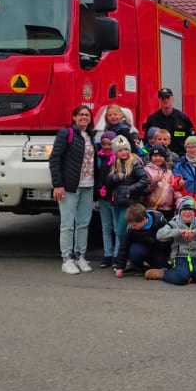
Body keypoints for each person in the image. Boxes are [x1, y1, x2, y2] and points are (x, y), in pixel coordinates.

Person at [49, 105, 97, 275]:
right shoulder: (66, 134)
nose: (84, 117)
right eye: (81, 115)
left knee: (83, 223)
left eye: (87, 115)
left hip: (88, 185)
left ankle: (80, 256)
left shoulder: (91, 136)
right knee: (67, 224)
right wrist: (58, 184)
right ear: (74, 117)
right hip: (69, 186)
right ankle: (67, 259)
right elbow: (55, 159)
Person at [145, 197, 196, 285]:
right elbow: (160, 235)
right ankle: (163, 273)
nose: (187, 212)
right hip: (180, 257)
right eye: (184, 209)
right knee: (180, 279)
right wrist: (179, 232)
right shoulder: (174, 223)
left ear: (194, 211)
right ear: (179, 211)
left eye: (190, 209)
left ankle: (190, 277)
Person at [105, 135, 149, 262]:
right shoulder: (115, 164)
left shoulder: (134, 163)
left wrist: (130, 189)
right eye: (120, 150)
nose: (123, 152)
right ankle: (124, 257)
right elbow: (107, 182)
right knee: (119, 231)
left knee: (120, 231)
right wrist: (114, 178)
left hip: (129, 203)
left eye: (125, 149)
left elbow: (144, 180)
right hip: (117, 202)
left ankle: (125, 257)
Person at [113, 204, 171, 278]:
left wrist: (168, 257)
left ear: (143, 220)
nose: (131, 227)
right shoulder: (130, 228)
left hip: (157, 249)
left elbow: (168, 240)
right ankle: (138, 266)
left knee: (164, 266)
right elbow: (123, 247)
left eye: (134, 225)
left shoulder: (159, 220)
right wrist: (120, 267)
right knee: (135, 252)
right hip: (140, 248)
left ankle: (150, 265)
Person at [143, 87, 196, 157]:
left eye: (168, 97)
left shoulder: (183, 118)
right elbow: (145, 143)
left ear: (172, 99)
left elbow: (192, 138)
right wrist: (147, 154)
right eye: (163, 98)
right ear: (159, 100)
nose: (165, 100)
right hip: (159, 159)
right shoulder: (152, 119)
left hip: (180, 158)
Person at [95, 130, 118, 268]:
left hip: (115, 198)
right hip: (103, 197)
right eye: (104, 144)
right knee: (106, 228)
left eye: (109, 144)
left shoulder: (119, 158)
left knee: (117, 228)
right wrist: (99, 189)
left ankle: (116, 255)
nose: (106, 147)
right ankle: (107, 254)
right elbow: (97, 176)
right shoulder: (99, 158)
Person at [144, 144, 176, 219]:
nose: (158, 158)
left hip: (168, 208)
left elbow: (173, 187)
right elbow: (145, 189)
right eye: (155, 156)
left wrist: (179, 186)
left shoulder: (169, 171)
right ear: (151, 157)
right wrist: (155, 181)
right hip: (153, 207)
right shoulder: (146, 170)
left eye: (161, 156)